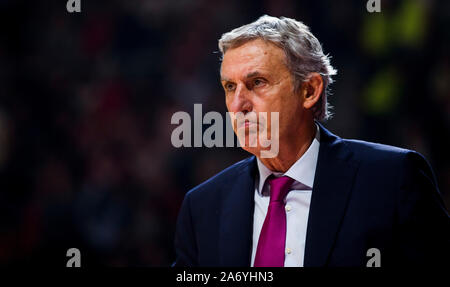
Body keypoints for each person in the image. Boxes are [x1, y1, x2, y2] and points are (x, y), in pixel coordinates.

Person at [173, 15, 449, 267]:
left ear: (310, 90)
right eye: (229, 87)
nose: (238, 104)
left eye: (257, 82)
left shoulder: (392, 179)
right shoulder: (203, 207)